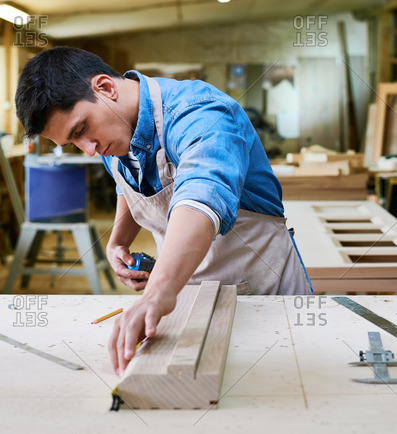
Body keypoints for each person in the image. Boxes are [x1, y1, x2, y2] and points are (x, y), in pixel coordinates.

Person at [15, 47, 312, 376]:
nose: (87, 151)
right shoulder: (110, 132)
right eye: (73, 144)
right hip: (189, 300)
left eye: (80, 130)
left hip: (267, 299)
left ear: (106, 88)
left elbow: (202, 194)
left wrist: (158, 292)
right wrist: (118, 240)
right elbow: (126, 182)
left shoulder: (199, 110)